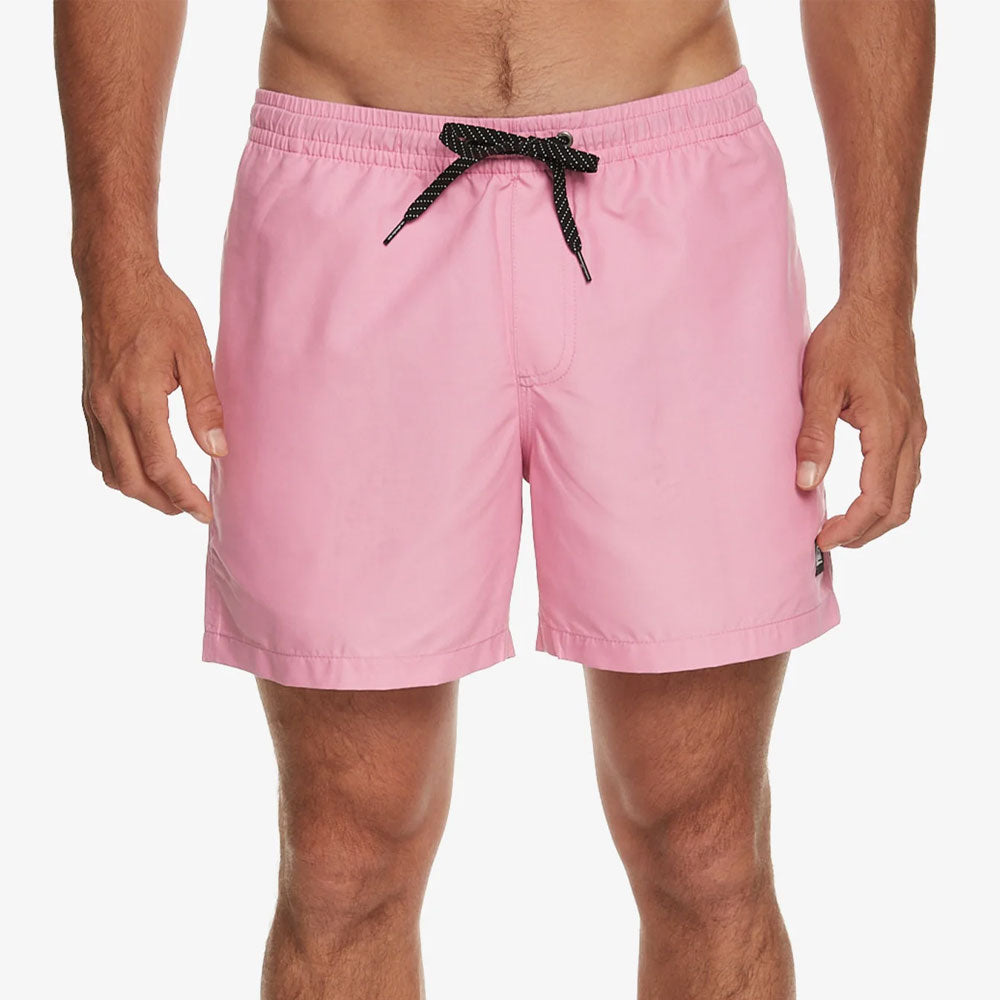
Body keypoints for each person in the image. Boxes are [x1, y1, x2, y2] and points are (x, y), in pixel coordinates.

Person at [54, 1, 933, 997]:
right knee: (344, 858)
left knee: (707, 842)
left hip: (677, 197)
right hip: (347, 190)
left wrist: (880, 296)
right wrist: (114, 270)